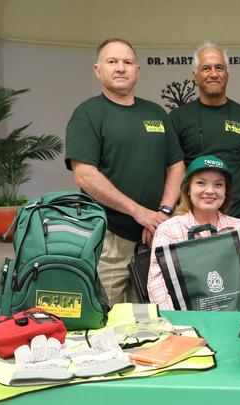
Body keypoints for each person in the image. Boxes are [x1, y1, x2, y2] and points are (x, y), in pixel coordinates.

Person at [66, 38, 183, 306]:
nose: (121, 68)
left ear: (137, 71)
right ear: (97, 70)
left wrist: (162, 214)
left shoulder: (155, 112)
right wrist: (138, 212)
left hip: (156, 236)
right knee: (106, 314)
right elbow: (85, 174)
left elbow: (176, 165)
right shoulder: (88, 114)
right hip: (110, 238)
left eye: (127, 62)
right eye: (112, 61)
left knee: (152, 316)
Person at [147, 156, 240, 310]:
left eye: (218, 184)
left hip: (233, 321)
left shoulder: (239, 227)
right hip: (188, 324)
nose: (210, 191)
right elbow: (157, 288)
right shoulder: (169, 230)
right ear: (188, 188)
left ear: (226, 191)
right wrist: (181, 325)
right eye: (200, 183)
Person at [169, 42, 240, 230]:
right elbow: (172, 169)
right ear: (195, 76)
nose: (213, 73)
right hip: (193, 221)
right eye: (206, 68)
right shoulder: (178, 118)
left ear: (227, 74)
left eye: (219, 68)